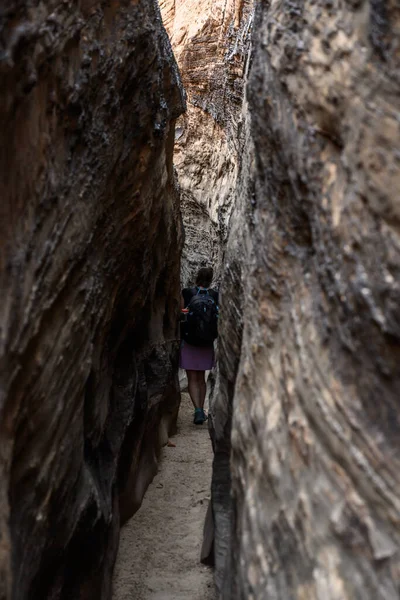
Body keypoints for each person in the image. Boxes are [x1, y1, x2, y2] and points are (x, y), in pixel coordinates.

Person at [180, 267, 219, 425]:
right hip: (206, 342)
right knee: (201, 378)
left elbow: (181, 313)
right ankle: (202, 409)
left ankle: (197, 410)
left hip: (189, 341)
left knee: (192, 378)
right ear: (211, 279)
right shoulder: (214, 295)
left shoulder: (187, 293)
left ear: (196, 277)